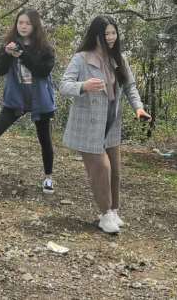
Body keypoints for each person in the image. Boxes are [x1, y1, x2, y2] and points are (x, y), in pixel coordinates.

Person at [60, 15, 151, 234]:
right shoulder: (81, 59)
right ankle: (105, 214)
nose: (110, 37)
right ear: (96, 35)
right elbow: (63, 85)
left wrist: (138, 108)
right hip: (89, 125)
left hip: (110, 123)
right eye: (106, 33)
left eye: (113, 33)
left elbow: (130, 87)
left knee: (115, 170)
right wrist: (84, 86)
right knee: (102, 168)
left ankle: (114, 211)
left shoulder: (119, 59)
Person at [0, 9, 57, 193]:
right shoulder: (10, 44)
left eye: (28, 23)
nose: (23, 26)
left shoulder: (45, 48)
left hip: (39, 99)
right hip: (16, 98)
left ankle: (48, 177)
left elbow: (42, 70)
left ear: (35, 26)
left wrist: (22, 55)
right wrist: (6, 54)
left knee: (45, 139)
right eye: (20, 22)